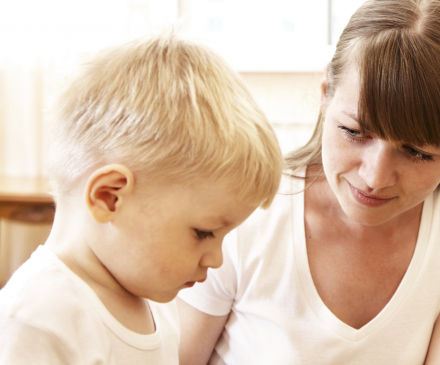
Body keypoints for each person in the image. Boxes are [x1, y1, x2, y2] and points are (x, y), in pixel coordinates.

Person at [177, 0, 440, 364]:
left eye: (417, 152)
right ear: (324, 95)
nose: (374, 177)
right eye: (353, 131)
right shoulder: (244, 215)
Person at [0, 32, 284, 364]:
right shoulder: (37, 319)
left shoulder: (153, 299)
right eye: (204, 232)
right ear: (109, 198)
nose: (216, 259)